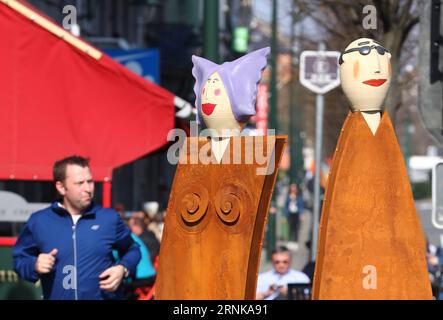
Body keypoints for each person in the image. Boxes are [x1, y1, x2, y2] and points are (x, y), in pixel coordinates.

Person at [13, 155, 141, 300]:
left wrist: (123, 269)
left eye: (90, 181)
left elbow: (133, 249)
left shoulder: (109, 218)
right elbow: (19, 260)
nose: (88, 188)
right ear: (61, 187)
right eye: (80, 183)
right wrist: (34, 265)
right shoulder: (39, 221)